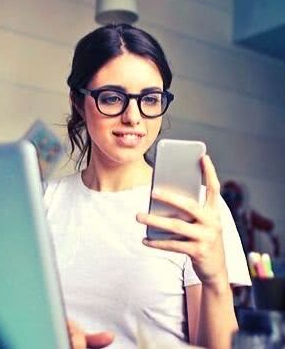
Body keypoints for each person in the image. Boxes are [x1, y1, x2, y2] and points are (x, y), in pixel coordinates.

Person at [42, 24, 251, 349]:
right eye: (112, 98)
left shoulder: (194, 208)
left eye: (150, 99)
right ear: (78, 102)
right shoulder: (41, 203)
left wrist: (215, 279)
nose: (133, 117)